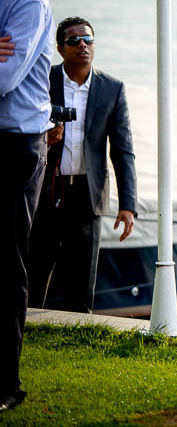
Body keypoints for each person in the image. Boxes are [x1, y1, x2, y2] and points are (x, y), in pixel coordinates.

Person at [26, 16, 137, 313]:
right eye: (74, 41)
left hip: (88, 194)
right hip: (46, 190)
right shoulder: (42, 81)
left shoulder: (112, 88)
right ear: (61, 48)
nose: (82, 45)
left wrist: (128, 204)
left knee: (82, 281)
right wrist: (44, 139)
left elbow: (123, 150)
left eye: (87, 39)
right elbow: (18, 128)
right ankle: (26, 328)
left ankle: (79, 332)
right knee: (35, 271)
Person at [0, 0, 54, 413]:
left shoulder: (27, 1)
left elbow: (4, 78)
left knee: (6, 262)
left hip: (16, 147)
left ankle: (5, 383)